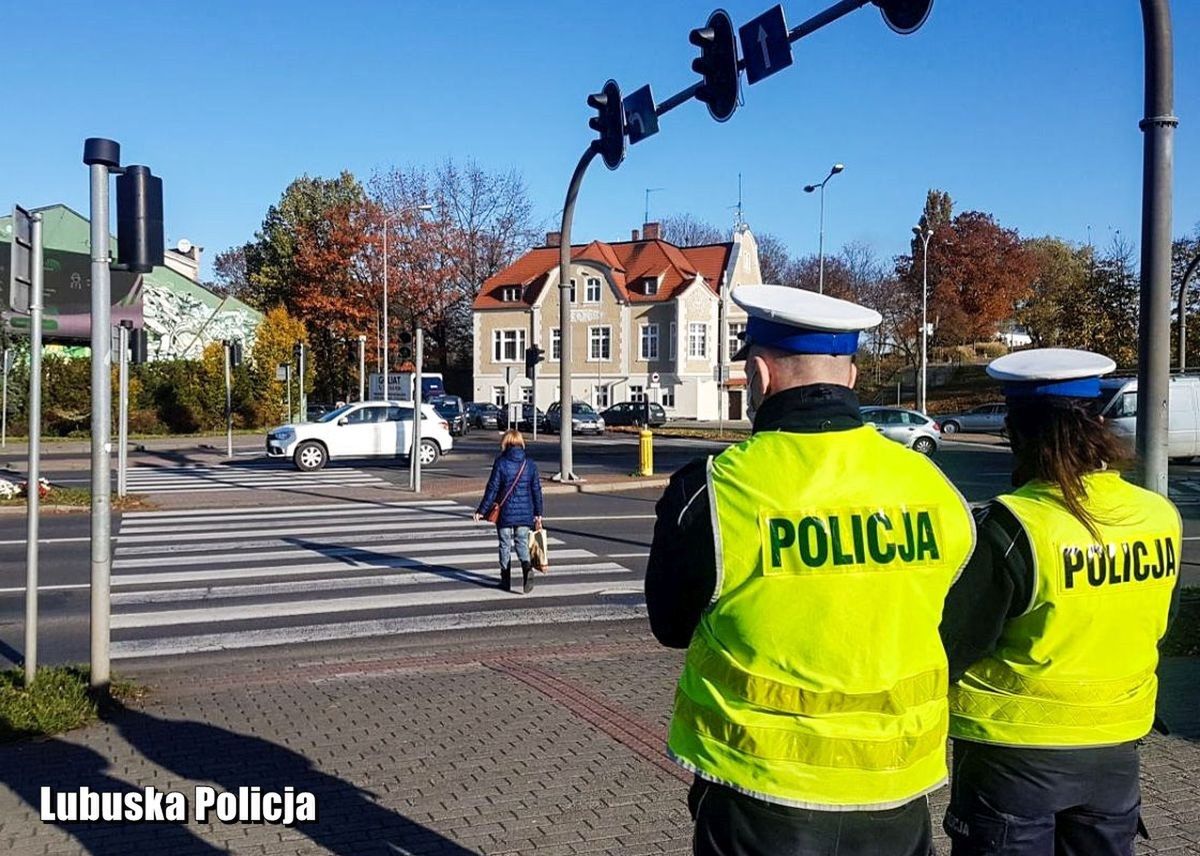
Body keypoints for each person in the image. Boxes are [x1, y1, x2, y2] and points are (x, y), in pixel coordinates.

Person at [646, 285, 977, 856]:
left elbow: (671, 626)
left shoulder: (714, 487)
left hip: (760, 793)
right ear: (850, 378)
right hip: (898, 789)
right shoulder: (934, 487)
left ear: (759, 373)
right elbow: (958, 624)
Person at [939, 348, 1182, 855]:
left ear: (1017, 432)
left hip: (1013, 757)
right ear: (1097, 423)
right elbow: (1161, 619)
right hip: (1115, 750)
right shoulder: (1159, 515)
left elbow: (955, 644)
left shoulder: (1013, 524)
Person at [473, 428, 543, 593]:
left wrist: (481, 510)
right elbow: (536, 490)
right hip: (525, 512)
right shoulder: (530, 464)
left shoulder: (501, 463)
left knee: (505, 544)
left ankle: (505, 580)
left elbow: (492, 488)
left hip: (504, 512)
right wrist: (538, 513)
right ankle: (527, 568)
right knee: (522, 543)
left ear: (505, 443)